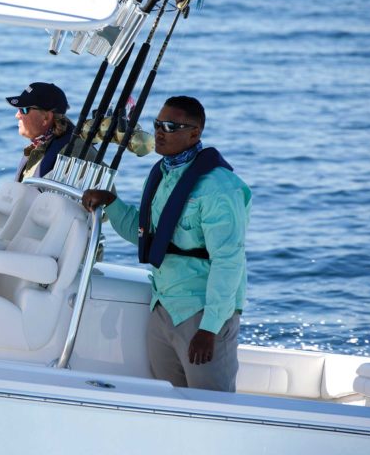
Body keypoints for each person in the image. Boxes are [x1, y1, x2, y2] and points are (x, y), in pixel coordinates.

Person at [81, 96, 251, 392]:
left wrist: (209, 328)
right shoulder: (165, 174)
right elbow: (144, 232)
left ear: (194, 133)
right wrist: (111, 202)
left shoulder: (218, 189)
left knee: (210, 408)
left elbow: (228, 261)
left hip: (200, 314)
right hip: (163, 309)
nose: (159, 132)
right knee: (167, 402)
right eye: (158, 124)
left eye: (171, 126)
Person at [5, 82, 95, 182]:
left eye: (24, 109)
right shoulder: (39, 145)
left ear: (46, 117)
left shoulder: (77, 151)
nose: (17, 115)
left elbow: (107, 196)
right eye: (19, 109)